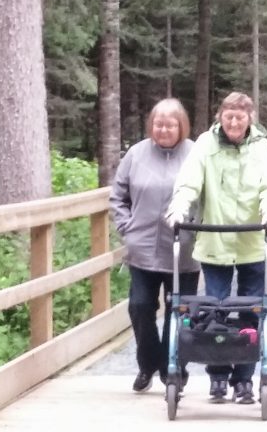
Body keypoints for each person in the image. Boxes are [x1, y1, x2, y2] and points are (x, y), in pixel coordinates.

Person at [165, 92, 267, 404]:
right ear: (220, 117)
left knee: (249, 310)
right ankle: (217, 377)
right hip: (215, 239)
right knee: (214, 309)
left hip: (251, 241)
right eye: (228, 117)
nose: (233, 123)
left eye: (239, 118)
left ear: (249, 119)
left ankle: (243, 380)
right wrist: (179, 208)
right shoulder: (206, 143)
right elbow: (189, 181)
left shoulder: (261, 147)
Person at [109, 98, 200, 393]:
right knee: (139, 307)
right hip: (143, 249)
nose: (163, 129)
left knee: (181, 310)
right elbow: (118, 196)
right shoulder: (136, 154)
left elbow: (209, 196)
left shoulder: (196, 154)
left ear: (181, 126)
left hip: (183, 250)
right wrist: (127, 227)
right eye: (158, 124)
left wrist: (199, 229)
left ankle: (174, 368)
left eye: (169, 124)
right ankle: (149, 363)